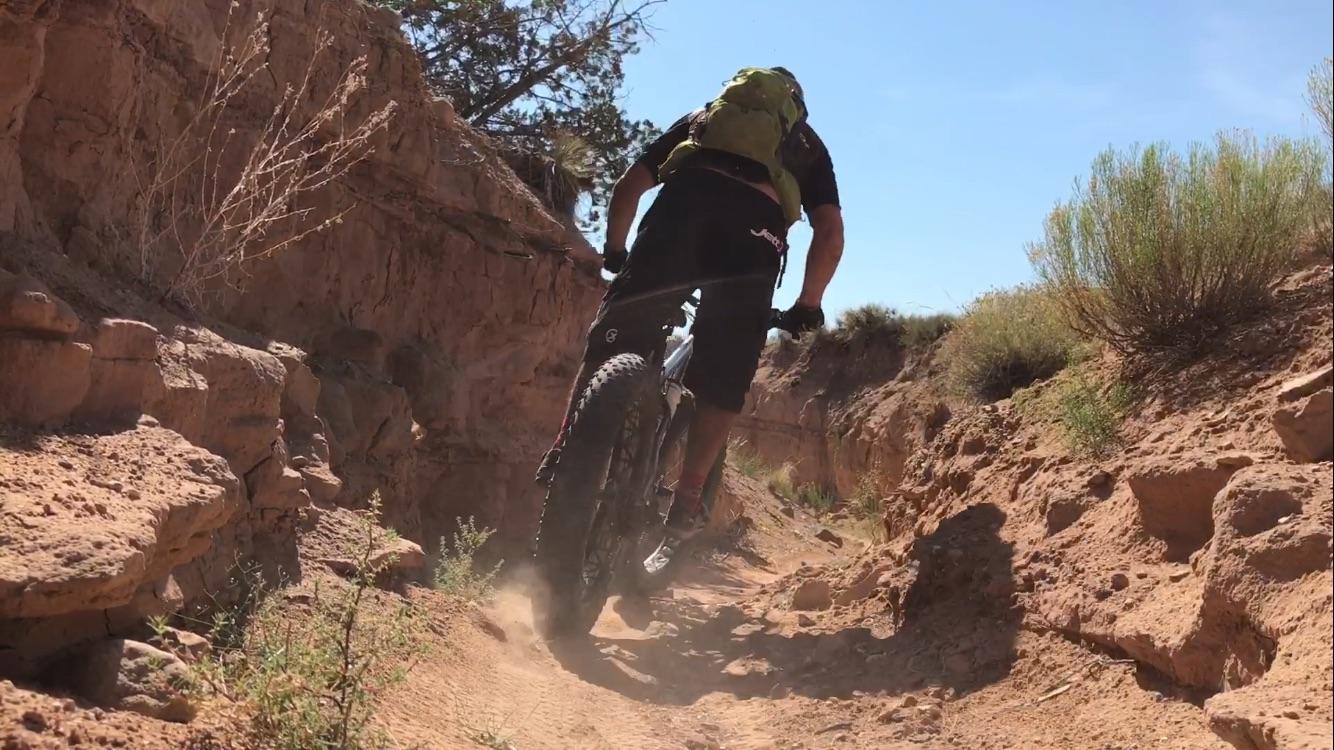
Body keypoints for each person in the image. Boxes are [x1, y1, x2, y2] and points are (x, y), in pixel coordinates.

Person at [538, 66, 845, 537]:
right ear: (793, 110)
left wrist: (617, 252)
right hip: (752, 240)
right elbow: (829, 231)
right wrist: (808, 303)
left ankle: (564, 445)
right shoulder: (807, 145)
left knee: (611, 338)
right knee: (723, 379)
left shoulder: (702, 120)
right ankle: (687, 500)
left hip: (679, 215)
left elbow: (629, 187)